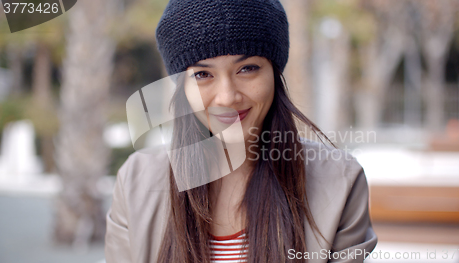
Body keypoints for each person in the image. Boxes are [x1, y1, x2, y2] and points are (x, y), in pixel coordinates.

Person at [105, 0, 377, 262]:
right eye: (203, 74)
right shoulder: (136, 182)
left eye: (247, 69)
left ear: (274, 72)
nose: (227, 97)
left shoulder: (339, 182)